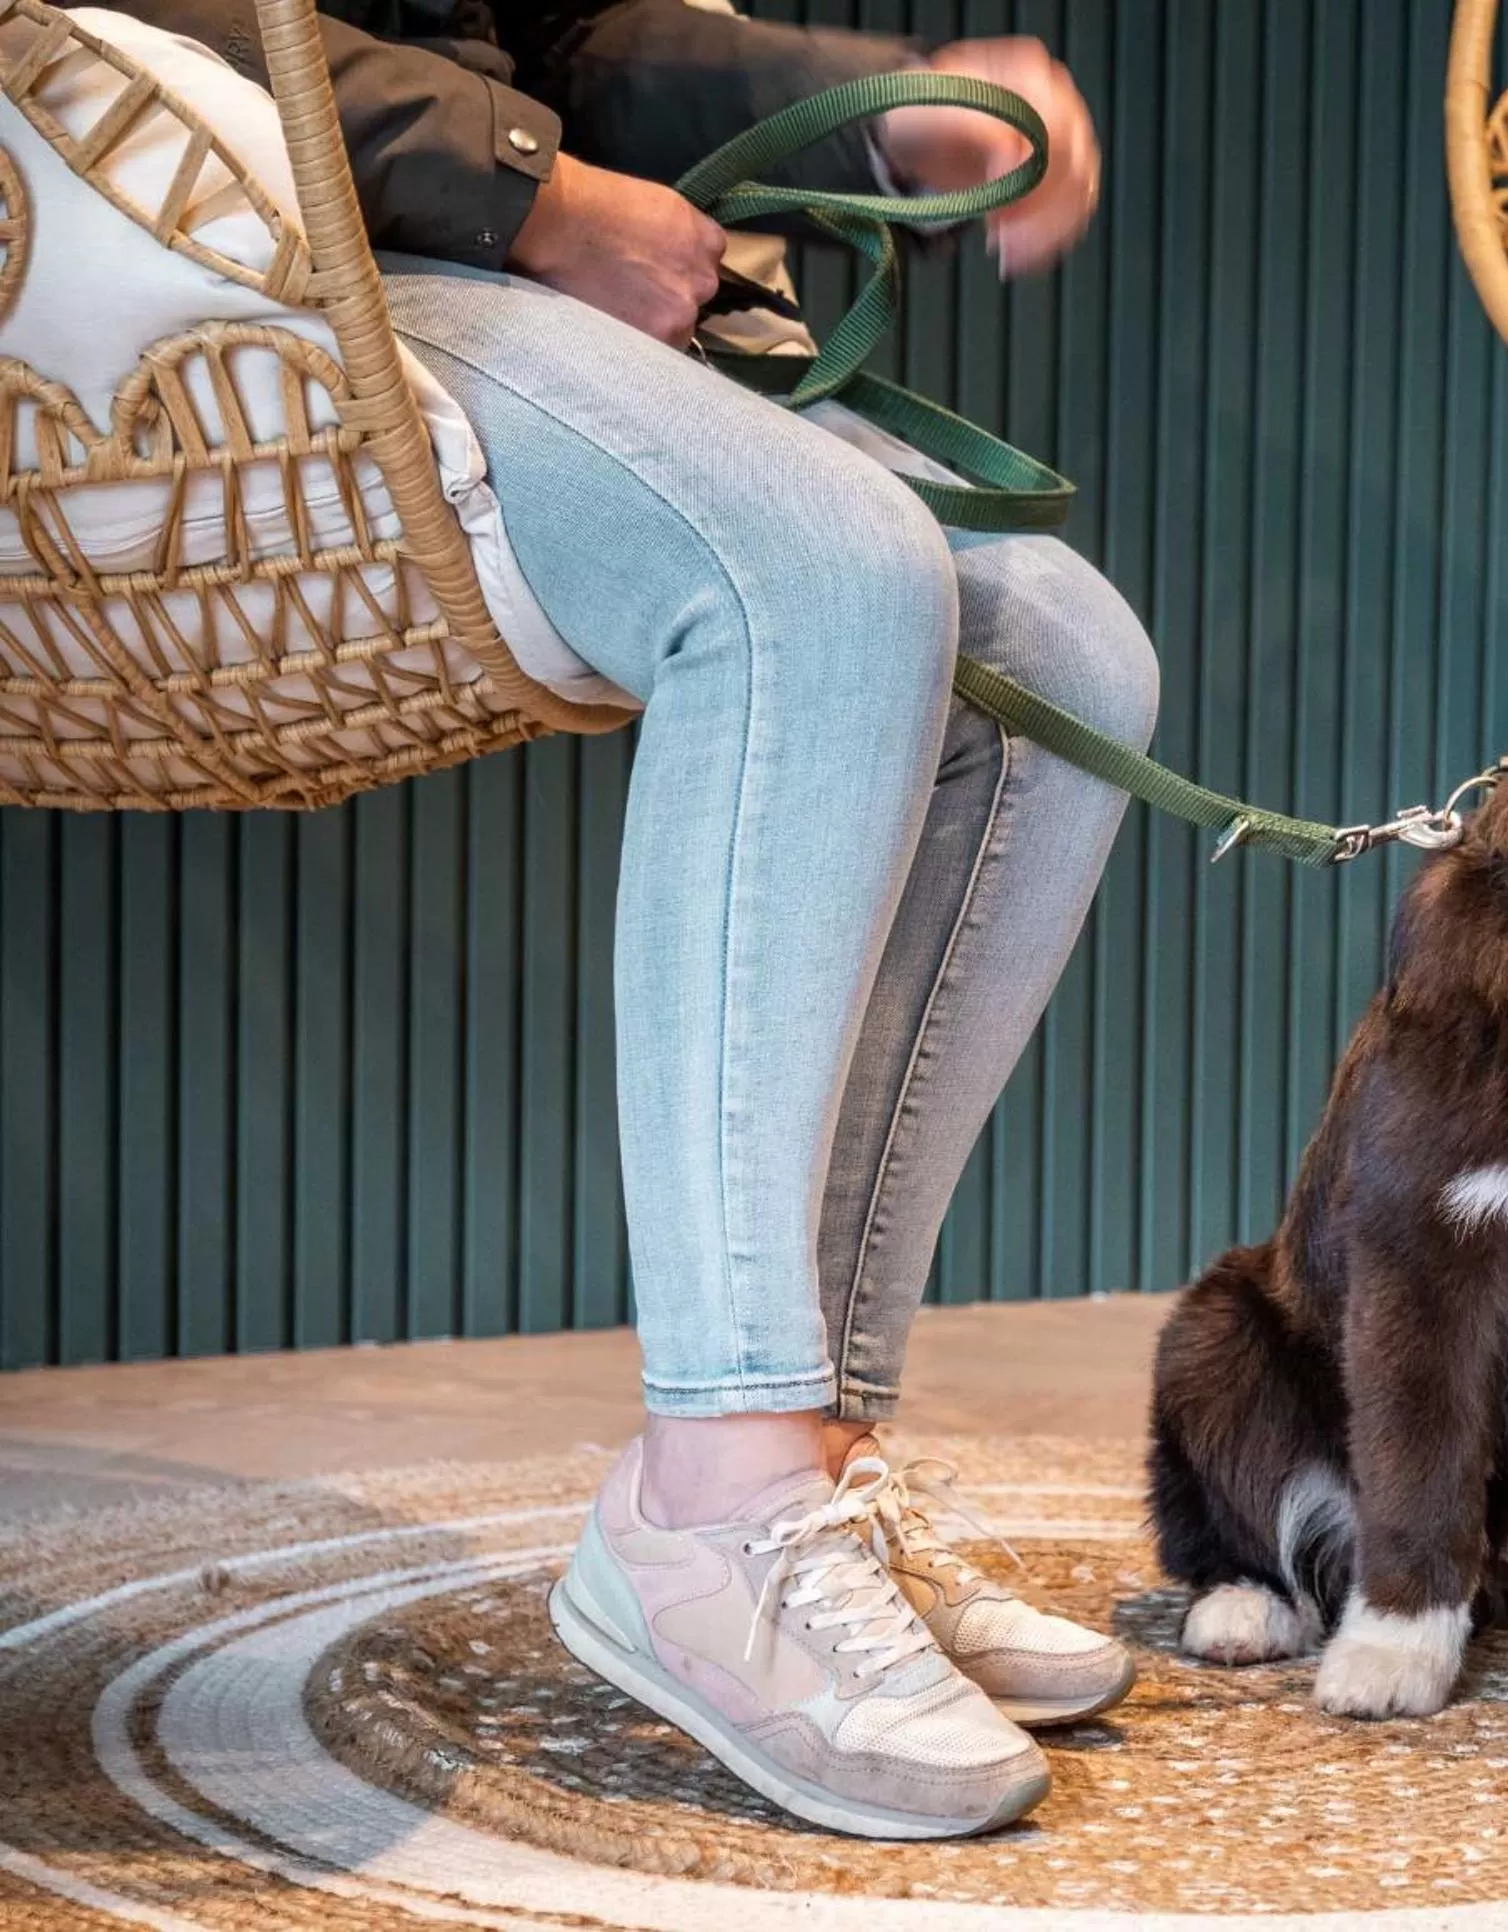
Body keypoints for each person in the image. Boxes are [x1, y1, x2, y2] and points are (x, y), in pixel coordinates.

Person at [124, 0, 1153, 1839]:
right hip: (225, 264)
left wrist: (855, 117)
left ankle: (816, 1458)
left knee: (1066, 654)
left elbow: (551, 34)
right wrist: (525, 191)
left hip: (459, 236)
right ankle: (713, 1501)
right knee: (818, 569)